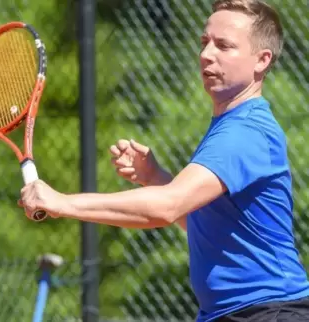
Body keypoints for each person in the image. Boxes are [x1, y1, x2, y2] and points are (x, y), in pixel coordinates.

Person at [19, 0, 309, 321]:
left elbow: (167, 207)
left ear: (262, 60)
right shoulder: (229, 126)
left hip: (270, 312)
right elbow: (203, 225)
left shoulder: (246, 132)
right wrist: (156, 178)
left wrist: (61, 202)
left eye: (224, 46)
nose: (206, 54)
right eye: (204, 42)